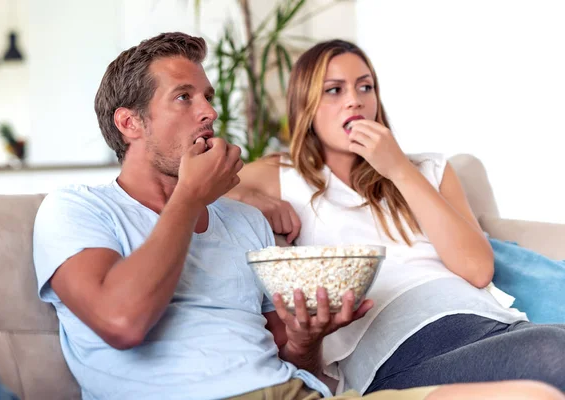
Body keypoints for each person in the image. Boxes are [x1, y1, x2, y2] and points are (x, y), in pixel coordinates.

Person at [31, 32, 564, 400]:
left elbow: (293, 357)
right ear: (130, 122)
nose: (211, 112)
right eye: (184, 97)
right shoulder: (76, 208)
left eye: (209, 96)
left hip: (303, 389)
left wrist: (307, 339)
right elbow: (122, 321)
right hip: (387, 354)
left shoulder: (243, 227)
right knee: (552, 353)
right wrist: (194, 198)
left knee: (533, 391)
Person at [226, 39, 565, 396]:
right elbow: (198, 188)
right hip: (397, 356)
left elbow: (477, 269)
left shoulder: (429, 169)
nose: (354, 100)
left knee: (552, 344)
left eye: (365, 86)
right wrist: (248, 196)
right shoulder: (279, 175)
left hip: (492, 326)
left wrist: (399, 170)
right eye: (334, 90)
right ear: (305, 106)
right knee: (552, 351)